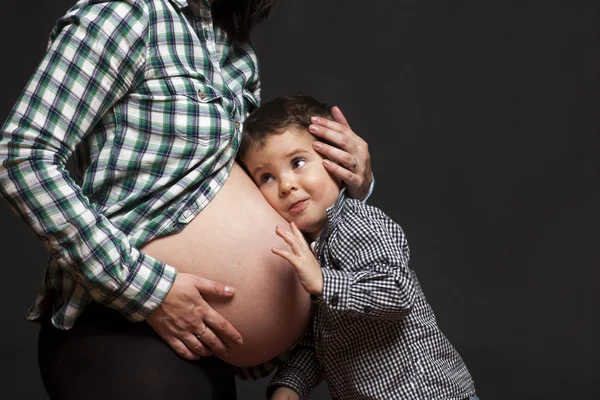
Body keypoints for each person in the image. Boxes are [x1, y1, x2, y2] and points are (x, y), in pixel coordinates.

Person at [0, 1, 374, 399]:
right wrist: (149, 291)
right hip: (125, 323)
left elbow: (260, 191)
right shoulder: (125, 14)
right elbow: (22, 157)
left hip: (203, 340)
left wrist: (351, 181)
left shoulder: (234, 50)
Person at [237, 95, 478, 400]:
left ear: (336, 160)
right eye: (266, 177)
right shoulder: (312, 252)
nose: (286, 185)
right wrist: (291, 384)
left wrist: (324, 282)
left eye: (297, 163)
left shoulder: (359, 223)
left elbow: (398, 291)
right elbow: (322, 337)